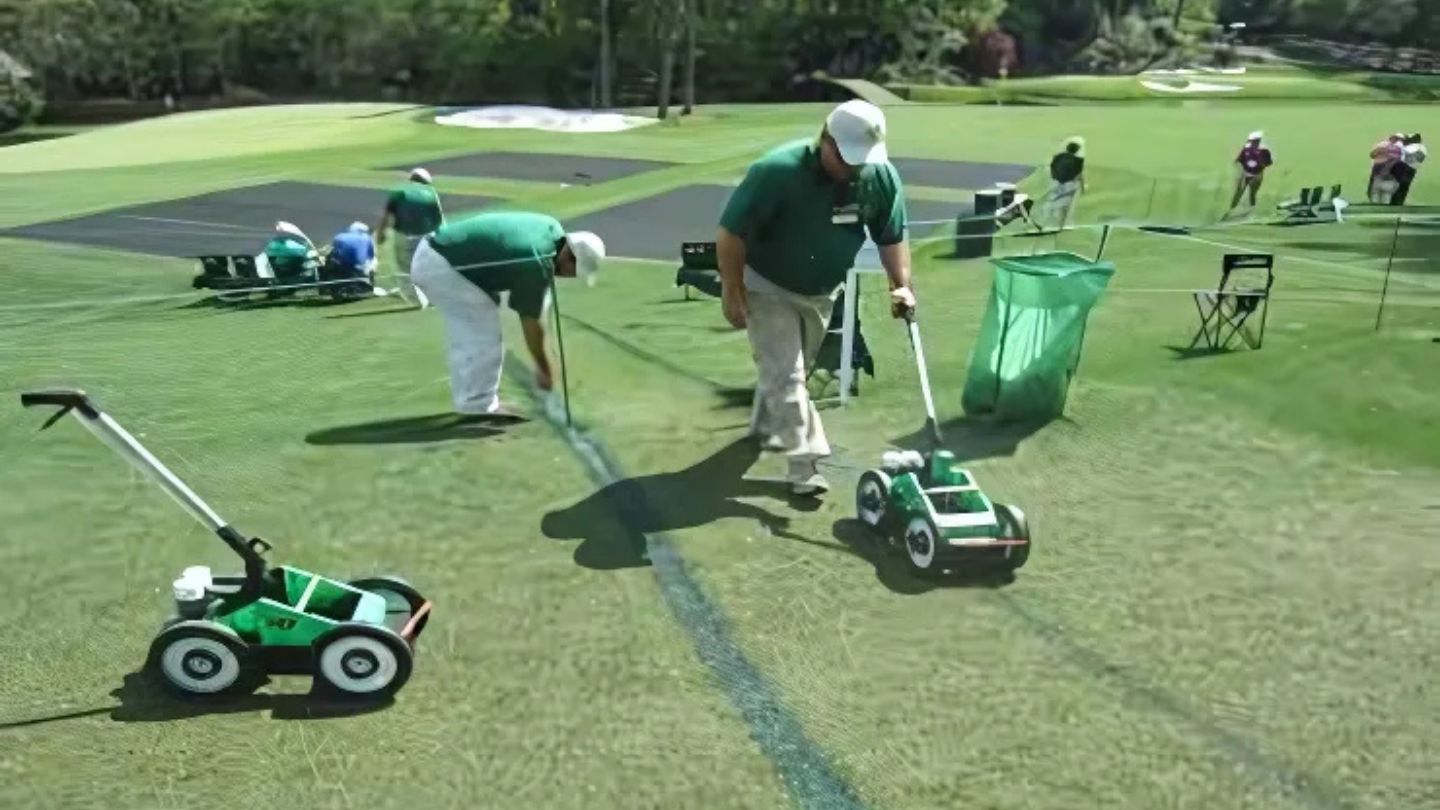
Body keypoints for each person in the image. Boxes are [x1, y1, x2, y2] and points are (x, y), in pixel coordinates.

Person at [716, 99, 917, 497]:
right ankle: (805, 466)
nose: (852, 168)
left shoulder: (879, 176)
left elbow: (891, 237)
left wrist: (900, 285)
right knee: (787, 376)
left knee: (791, 373)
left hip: (823, 292)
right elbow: (730, 234)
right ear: (825, 139)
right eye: (844, 158)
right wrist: (732, 288)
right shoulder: (777, 171)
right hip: (768, 285)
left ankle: (765, 423)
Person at [409, 210, 605, 417]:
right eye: (573, 272)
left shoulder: (552, 228)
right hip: (439, 265)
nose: (569, 277)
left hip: (437, 248)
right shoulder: (536, 262)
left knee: (477, 323)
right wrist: (544, 368)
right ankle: (477, 406)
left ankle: (473, 398)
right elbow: (531, 321)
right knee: (482, 332)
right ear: (569, 257)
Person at [375, 168, 443, 308]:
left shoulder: (399, 192)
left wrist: (381, 234)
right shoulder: (431, 193)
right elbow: (439, 219)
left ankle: (419, 302)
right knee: (428, 268)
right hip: (427, 237)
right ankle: (434, 298)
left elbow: (387, 216)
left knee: (405, 271)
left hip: (404, 237)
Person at [325, 222, 379, 296]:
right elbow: (371, 256)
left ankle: (333, 287)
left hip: (339, 266)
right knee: (373, 261)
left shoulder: (339, 237)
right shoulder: (367, 238)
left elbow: (334, 252)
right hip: (357, 268)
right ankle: (369, 283)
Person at [1043, 136, 1086, 229]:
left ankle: (1048, 222)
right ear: (1077, 151)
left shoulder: (1058, 157)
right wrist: (1082, 187)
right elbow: (1079, 175)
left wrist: (1054, 178)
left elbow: (1052, 167)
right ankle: (1061, 225)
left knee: (1052, 202)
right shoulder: (1079, 161)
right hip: (1069, 185)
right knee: (1064, 206)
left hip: (1055, 182)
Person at [1228, 131, 1273, 215]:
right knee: (1238, 192)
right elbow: (1238, 160)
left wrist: (1261, 164)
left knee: (1252, 193)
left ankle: (1251, 210)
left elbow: (1268, 162)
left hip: (1257, 174)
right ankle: (1231, 210)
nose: (1253, 142)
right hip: (1245, 173)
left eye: (1256, 141)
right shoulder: (1246, 149)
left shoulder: (1264, 150)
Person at [1368, 133, 1405, 203]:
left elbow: (1372, 155)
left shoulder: (1383, 147)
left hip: (1380, 175)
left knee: (1376, 195)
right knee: (1386, 195)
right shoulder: (1399, 150)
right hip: (1389, 178)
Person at [1391, 133, 1426, 206]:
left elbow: (1402, 153)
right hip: (1412, 169)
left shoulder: (1411, 147)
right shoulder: (1422, 148)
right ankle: (1399, 202)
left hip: (1404, 167)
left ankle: (1394, 201)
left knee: (1399, 185)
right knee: (1405, 186)